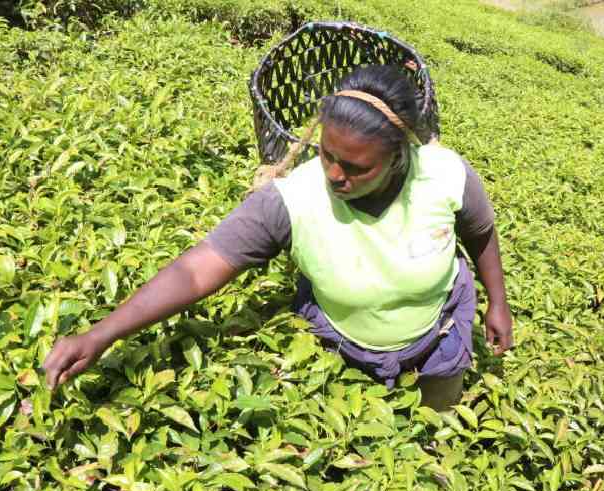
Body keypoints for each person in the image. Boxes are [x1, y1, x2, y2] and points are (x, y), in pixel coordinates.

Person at [43, 65, 513, 411]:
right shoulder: (292, 199)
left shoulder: (445, 174)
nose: (335, 175)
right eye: (327, 154)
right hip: (340, 338)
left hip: (440, 331)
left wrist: (498, 301)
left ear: (397, 158)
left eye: (355, 167)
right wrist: (102, 334)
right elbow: (200, 266)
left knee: (436, 417)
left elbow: (479, 232)